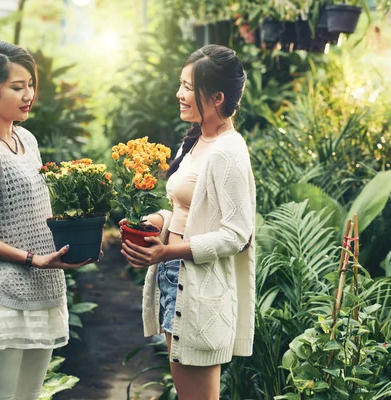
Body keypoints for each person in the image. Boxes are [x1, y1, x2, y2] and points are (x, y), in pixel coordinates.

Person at [0, 40, 96, 400]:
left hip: (43, 293)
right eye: (17, 87)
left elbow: (37, 216)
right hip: (4, 299)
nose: (28, 94)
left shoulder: (26, 138)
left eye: (30, 84)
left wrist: (74, 237)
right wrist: (32, 259)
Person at [120, 44, 256, 400]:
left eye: (187, 87)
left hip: (198, 285)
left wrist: (168, 252)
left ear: (216, 97)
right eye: (180, 84)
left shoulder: (228, 151)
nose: (179, 94)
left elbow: (236, 234)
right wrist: (152, 221)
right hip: (176, 277)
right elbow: (186, 212)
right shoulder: (196, 140)